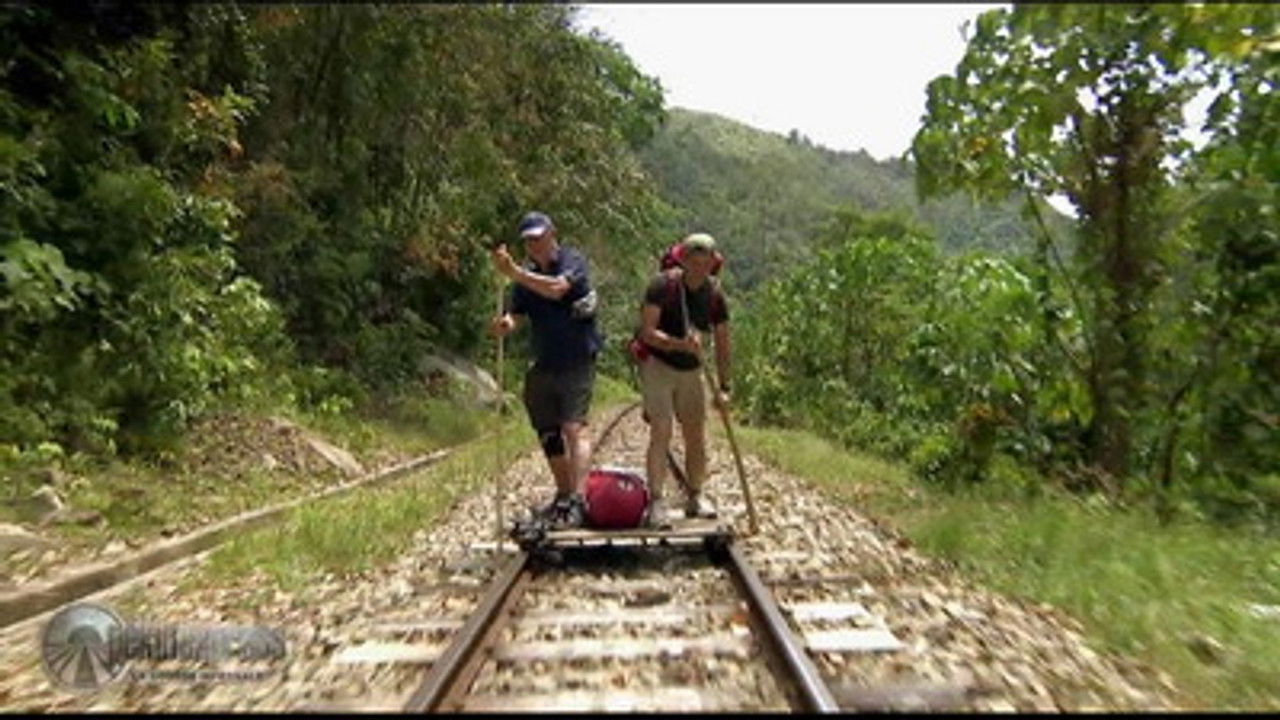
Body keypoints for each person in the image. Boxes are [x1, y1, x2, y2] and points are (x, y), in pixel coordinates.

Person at [490, 211, 601, 529]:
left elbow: (557, 289)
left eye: (539, 237)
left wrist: (514, 272)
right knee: (547, 431)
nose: (535, 245)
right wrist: (505, 324)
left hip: (577, 359)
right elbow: (517, 314)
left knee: (574, 427)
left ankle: (578, 498)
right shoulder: (525, 278)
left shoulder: (572, 261)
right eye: (529, 240)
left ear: (552, 234)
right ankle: (564, 493)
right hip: (543, 361)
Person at [635, 232, 731, 527]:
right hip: (659, 364)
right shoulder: (662, 286)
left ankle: (696, 494)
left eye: (706, 263)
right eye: (695, 262)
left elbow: (723, 342)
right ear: (684, 260)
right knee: (661, 430)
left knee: (695, 434)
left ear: (713, 263)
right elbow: (647, 332)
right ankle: (656, 500)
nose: (700, 268)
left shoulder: (715, 295)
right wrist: (679, 344)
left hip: (693, 369)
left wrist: (724, 387)